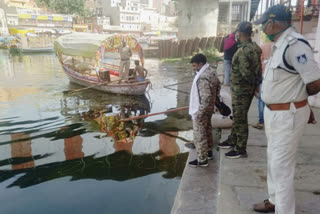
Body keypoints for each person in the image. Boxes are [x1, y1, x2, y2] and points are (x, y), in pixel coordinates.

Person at [252, 5, 320, 214]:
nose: (262, 28)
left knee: (282, 168)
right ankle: (274, 200)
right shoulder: (280, 44)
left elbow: (315, 82)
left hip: (287, 115)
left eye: (263, 25)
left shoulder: (295, 45)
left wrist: (297, 101)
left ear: (272, 23)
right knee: (273, 159)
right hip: (275, 114)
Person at [218, 21, 262, 159]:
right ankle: (233, 140)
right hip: (245, 89)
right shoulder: (254, 47)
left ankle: (240, 148)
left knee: (240, 119)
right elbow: (258, 70)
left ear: (240, 33)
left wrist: (250, 86)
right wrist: (255, 85)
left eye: (237, 32)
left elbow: (246, 73)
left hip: (241, 91)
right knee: (237, 117)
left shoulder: (243, 50)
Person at [188, 53, 220, 167]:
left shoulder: (202, 77)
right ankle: (209, 152)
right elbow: (218, 87)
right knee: (207, 130)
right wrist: (215, 102)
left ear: (201, 64)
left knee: (199, 134)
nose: (193, 68)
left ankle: (202, 159)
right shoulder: (211, 72)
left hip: (202, 109)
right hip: (210, 108)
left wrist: (199, 113)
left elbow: (205, 97)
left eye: (194, 65)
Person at [252, 40, 274, 130]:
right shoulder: (279, 45)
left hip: (264, 74)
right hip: (275, 76)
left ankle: (261, 122)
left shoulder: (262, 46)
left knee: (262, 99)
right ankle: (272, 122)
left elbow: (258, 61)